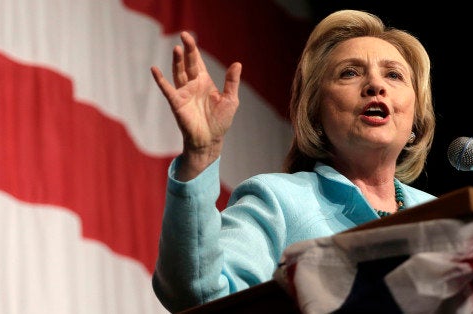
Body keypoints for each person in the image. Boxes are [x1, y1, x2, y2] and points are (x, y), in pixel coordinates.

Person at [150, 9, 437, 312]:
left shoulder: (444, 215)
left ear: (416, 120)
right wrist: (201, 153)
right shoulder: (278, 201)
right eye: (349, 73)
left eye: (393, 75)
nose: (375, 86)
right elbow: (199, 292)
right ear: (315, 112)